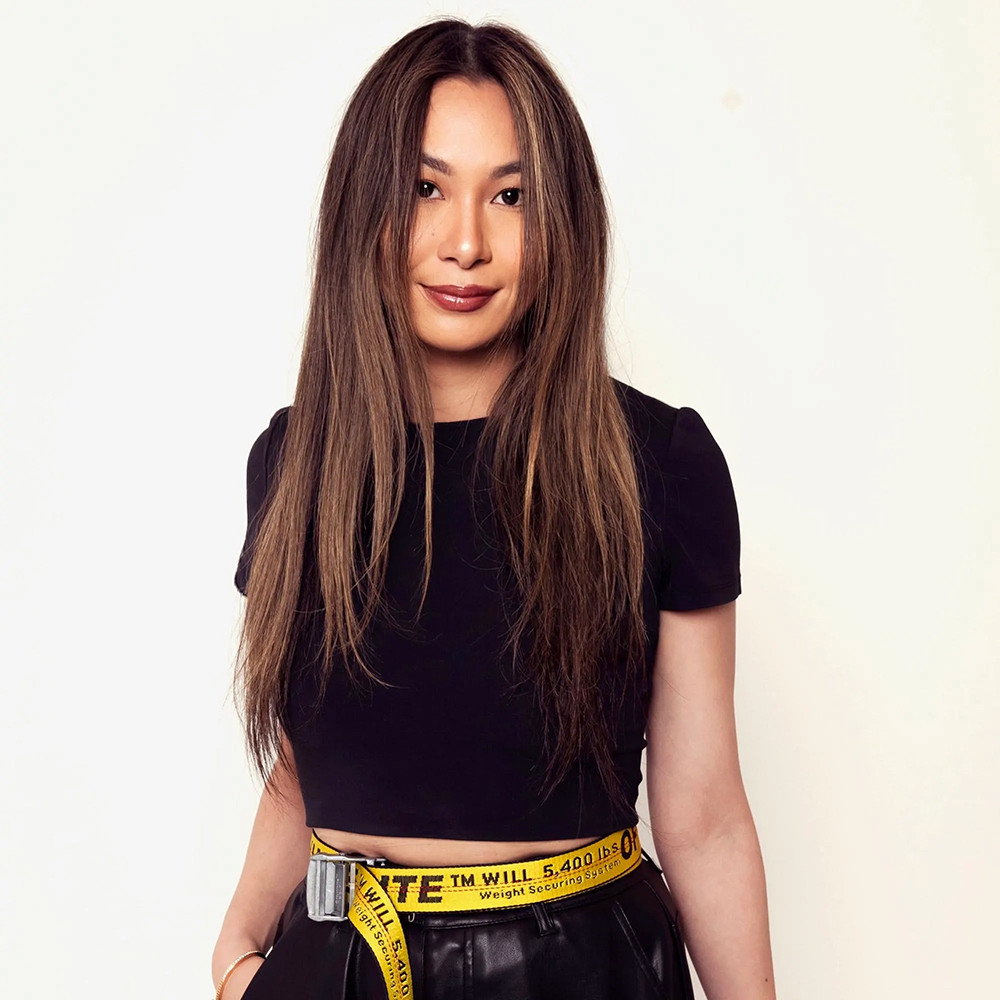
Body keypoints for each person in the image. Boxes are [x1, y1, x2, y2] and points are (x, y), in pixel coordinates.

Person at [211, 16, 776, 1000]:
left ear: (561, 221)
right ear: (363, 208)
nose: (466, 243)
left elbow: (706, 818)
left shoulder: (659, 463)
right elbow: (309, 762)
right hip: (336, 964)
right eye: (425, 189)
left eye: (510, 196)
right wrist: (235, 954)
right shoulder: (294, 464)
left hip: (580, 972)